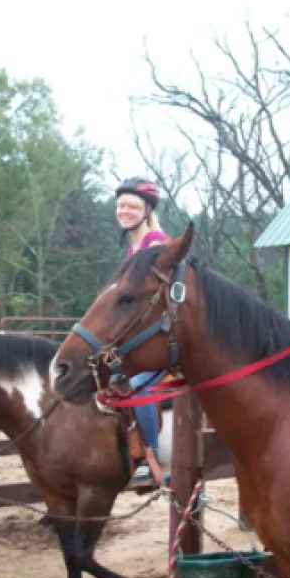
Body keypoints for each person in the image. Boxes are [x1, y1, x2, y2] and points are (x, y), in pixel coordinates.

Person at [115, 177, 168, 490]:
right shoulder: (132, 248)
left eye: (132, 206)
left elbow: (154, 298)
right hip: (138, 335)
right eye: (121, 205)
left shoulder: (155, 243)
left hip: (158, 334)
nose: (124, 211)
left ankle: (152, 456)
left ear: (147, 210)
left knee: (139, 385)